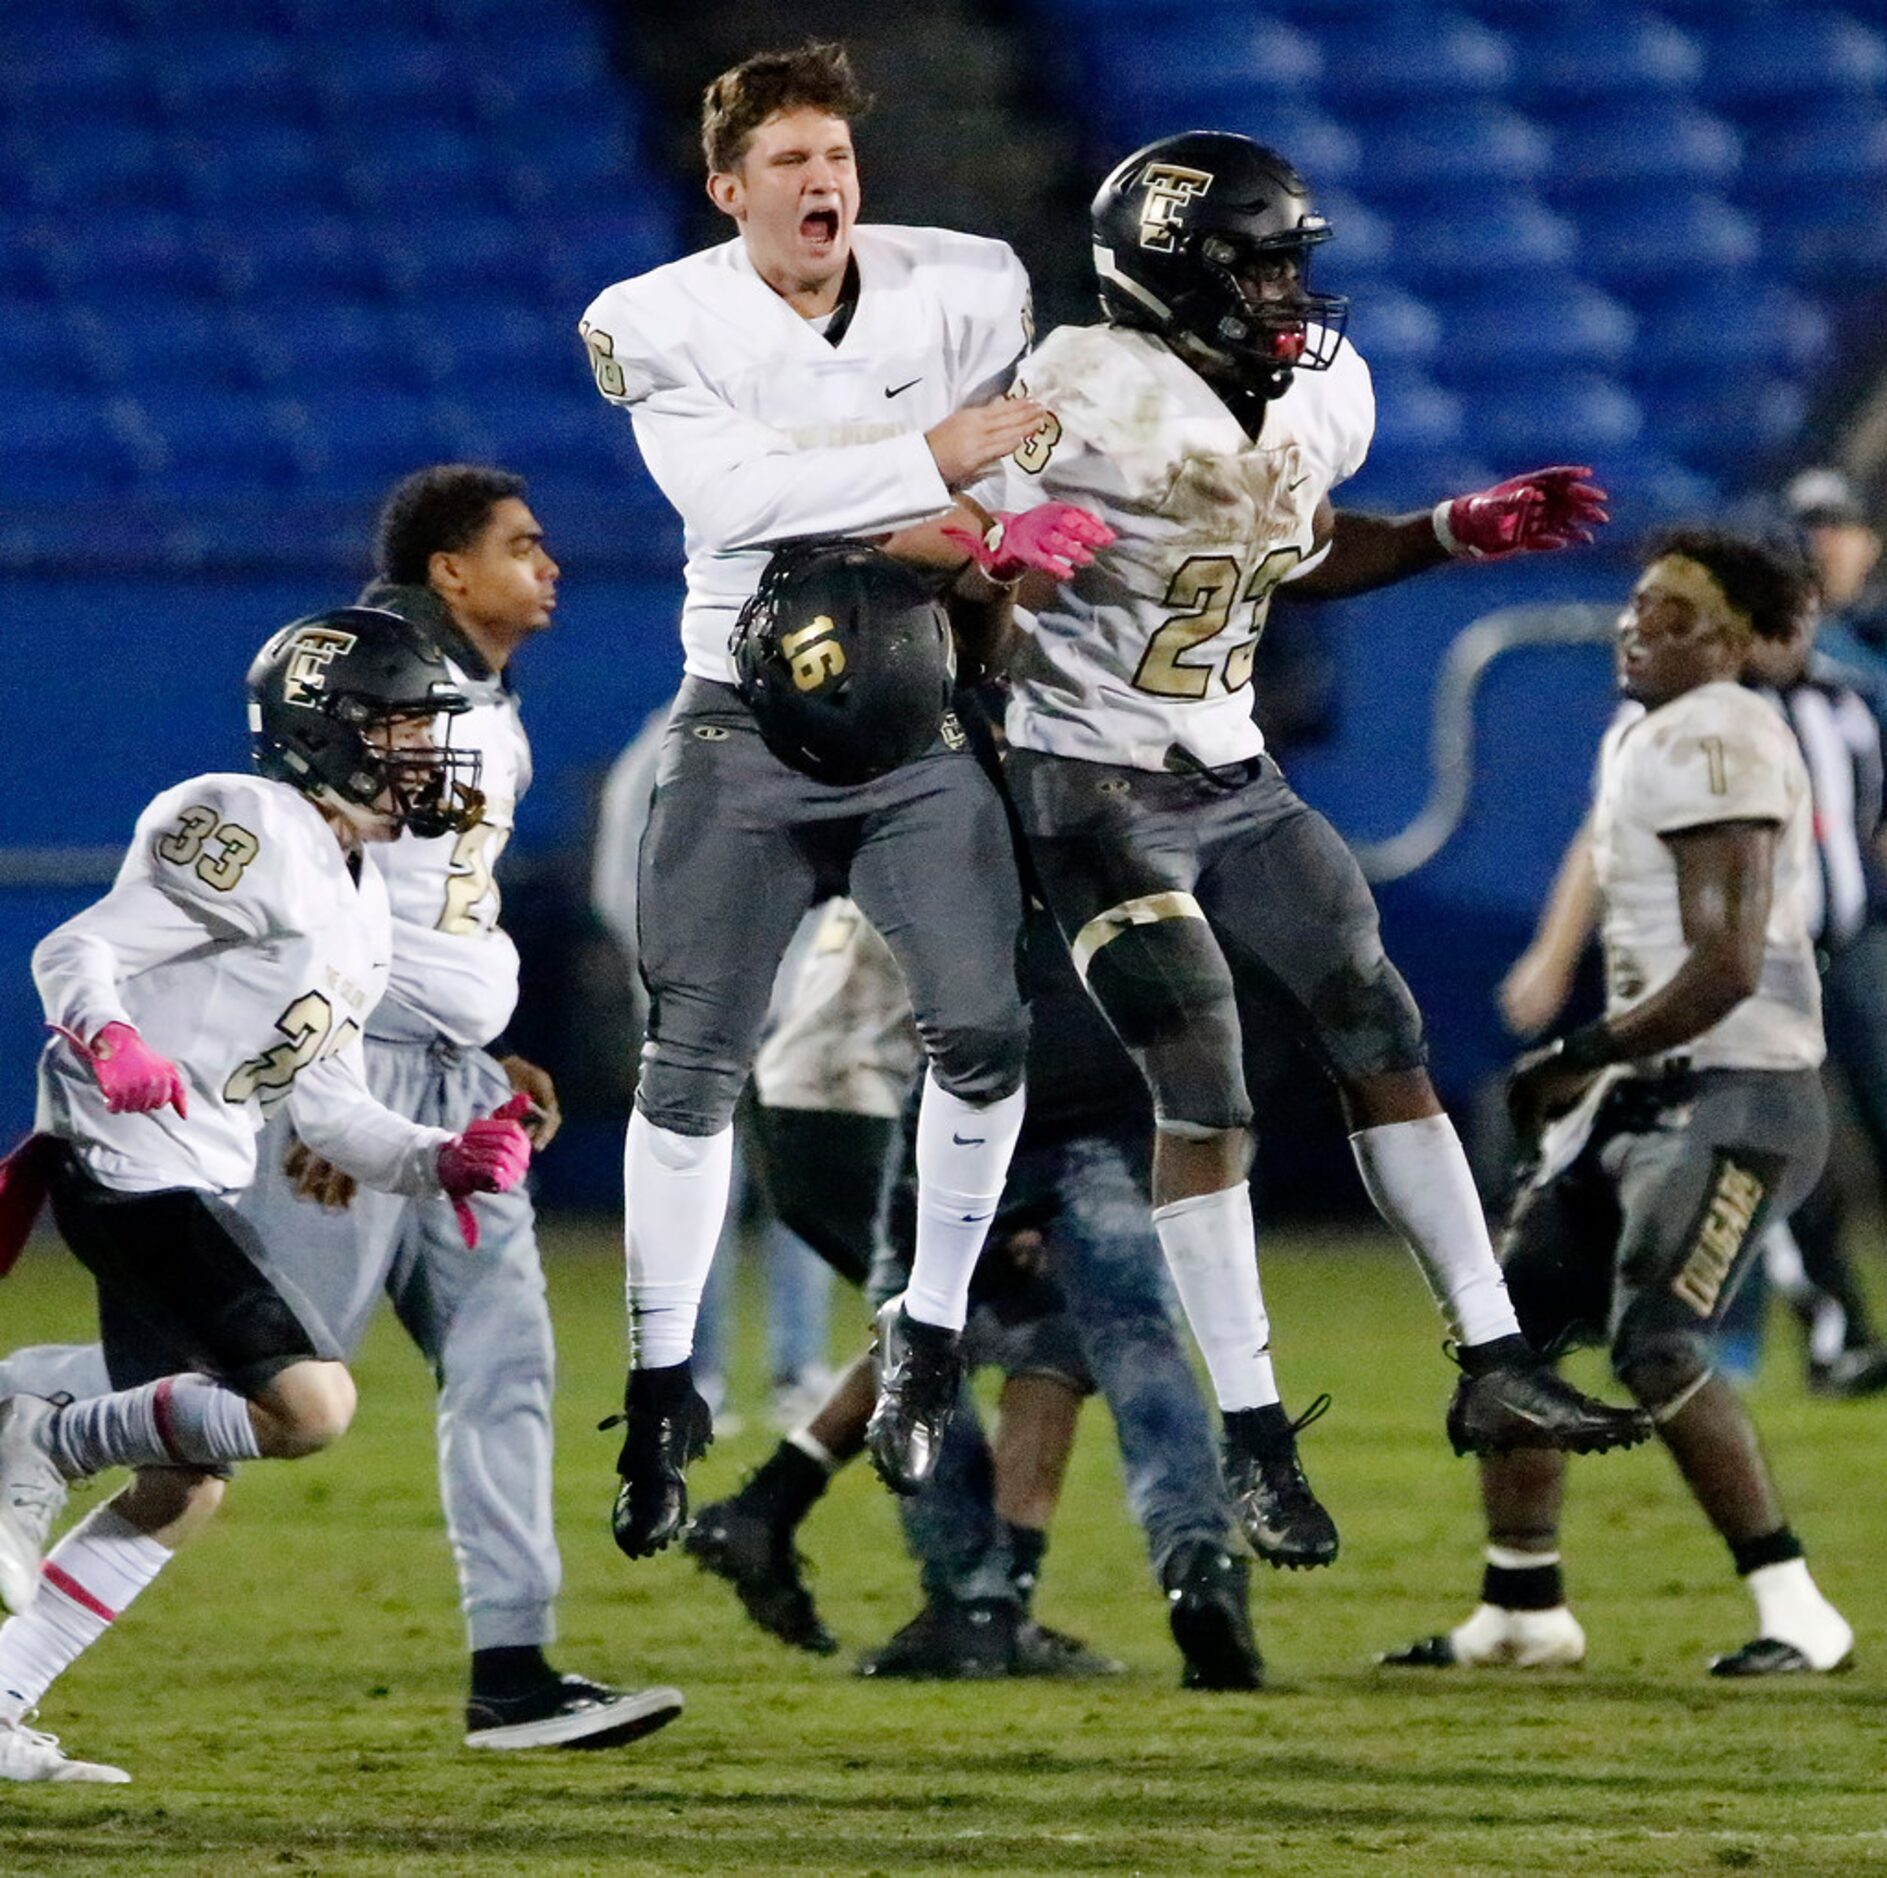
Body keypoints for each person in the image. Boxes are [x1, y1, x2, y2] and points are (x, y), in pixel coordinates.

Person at [964, 130, 1647, 1567]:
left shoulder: (1310, 392)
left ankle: (1491, 1352)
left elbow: (1286, 545)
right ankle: (1257, 1437)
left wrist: (1451, 532)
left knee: (1373, 1016)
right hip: (1088, 782)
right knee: (1202, 1076)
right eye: (1256, 259)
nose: (1286, 286)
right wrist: (989, 571)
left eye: (1288, 258)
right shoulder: (1069, 396)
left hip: (1224, 759)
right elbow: (935, 562)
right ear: (1169, 272)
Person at [575, 41, 1109, 1548]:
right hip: (739, 715)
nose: (826, 185)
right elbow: (729, 504)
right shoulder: (649, 319)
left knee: (982, 1027)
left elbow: (984, 505)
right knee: (689, 1064)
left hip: (905, 714)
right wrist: (927, 463)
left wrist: (1000, 538)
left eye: (839, 160)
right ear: (725, 188)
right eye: (792, 164)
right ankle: (662, 1380)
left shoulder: (960, 284)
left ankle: (926, 1335)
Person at [0, 608, 534, 1781]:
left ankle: (0, 1698)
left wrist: (439, 1155)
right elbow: (75, 951)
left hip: (198, 1167)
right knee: (312, 1407)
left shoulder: (357, 897)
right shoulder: (250, 821)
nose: (427, 754)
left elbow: (331, 1110)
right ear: (326, 731)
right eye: (401, 727)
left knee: (187, 1482)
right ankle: (39, 1426)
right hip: (127, 1161)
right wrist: (113, 1042)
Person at [1384, 530, 1853, 1676]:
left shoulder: (1726, 733)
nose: (1635, 628)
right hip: (1652, 1091)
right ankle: (1523, 1607)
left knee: (1655, 1341)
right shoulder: (1649, 729)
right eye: (1636, 606)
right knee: (1514, 1332)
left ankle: (1800, 1612)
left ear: (1737, 642)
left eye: (1674, 616)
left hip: (1741, 1092)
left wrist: (1572, 1054)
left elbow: (1727, 964)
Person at [689, 899, 1261, 1690]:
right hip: (858, 1104)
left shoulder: (993, 820)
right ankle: (972, 1600)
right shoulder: (1003, 833)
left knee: (1035, 1328)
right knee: (942, 1326)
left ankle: (790, 1519)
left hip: (886, 1097)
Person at [1503, 578, 1887, 1396]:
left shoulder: (1846, 706)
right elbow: (1598, 838)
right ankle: (1804, 1336)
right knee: (1756, 1151)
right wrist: (1552, 951)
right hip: (1737, 972)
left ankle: (1781, 1336)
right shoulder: (1676, 719)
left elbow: (1868, 831)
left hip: (1848, 953)